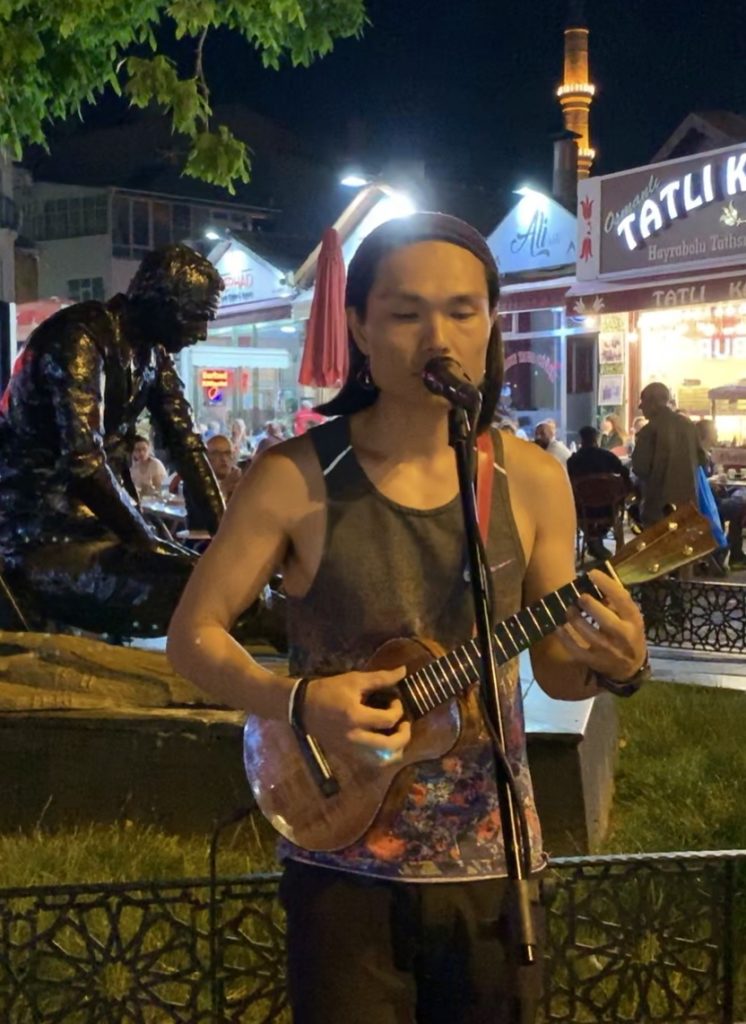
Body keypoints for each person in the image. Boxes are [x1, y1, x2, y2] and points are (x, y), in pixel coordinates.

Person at [167, 212, 647, 1024]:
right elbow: (193, 636)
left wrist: (620, 664)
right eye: (405, 312)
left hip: (495, 869)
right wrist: (297, 701)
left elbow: (560, 673)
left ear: (491, 322)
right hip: (342, 863)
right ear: (358, 325)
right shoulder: (296, 477)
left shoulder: (532, 479)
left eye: (463, 310)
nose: (438, 336)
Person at [0, 244, 226, 637]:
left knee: (232, 584)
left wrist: (231, 543)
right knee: (206, 591)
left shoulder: (152, 352)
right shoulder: (81, 337)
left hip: (95, 527)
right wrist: (148, 544)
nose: (201, 333)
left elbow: (185, 441)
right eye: (197, 316)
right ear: (162, 303)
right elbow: (84, 463)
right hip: (36, 531)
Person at [631, 382, 702, 526]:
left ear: (653, 402)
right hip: (687, 504)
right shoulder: (688, 426)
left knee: (659, 539)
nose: (640, 406)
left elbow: (640, 468)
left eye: (643, 401)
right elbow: (701, 459)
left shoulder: (649, 431)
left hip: (658, 506)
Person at [567, 426, 630, 560]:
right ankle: (596, 540)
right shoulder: (607, 456)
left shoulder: (573, 461)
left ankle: (592, 539)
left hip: (584, 511)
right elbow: (624, 473)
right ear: (596, 439)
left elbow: (569, 484)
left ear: (581, 440)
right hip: (608, 508)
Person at [695, 419, 746, 568]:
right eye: (714, 431)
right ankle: (733, 554)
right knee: (740, 505)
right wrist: (712, 480)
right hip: (709, 506)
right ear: (706, 434)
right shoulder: (699, 456)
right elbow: (697, 482)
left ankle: (733, 554)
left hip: (714, 500)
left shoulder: (707, 454)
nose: (717, 434)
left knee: (740, 500)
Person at [206, 434, 243, 504]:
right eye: (216, 453)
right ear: (207, 457)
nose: (223, 458)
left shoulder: (245, 479)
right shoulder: (199, 483)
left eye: (227, 453)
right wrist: (223, 488)